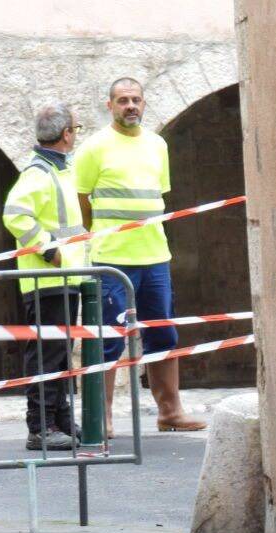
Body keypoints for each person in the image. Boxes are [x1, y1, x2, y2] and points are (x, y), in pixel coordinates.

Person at [74, 76, 206, 432]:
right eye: (122, 100)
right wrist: (98, 233)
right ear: (110, 106)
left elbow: (158, 195)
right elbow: (81, 200)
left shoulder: (157, 145)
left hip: (155, 256)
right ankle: (99, 420)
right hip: (113, 258)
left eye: (136, 99)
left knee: (163, 334)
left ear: (144, 103)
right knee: (107, 339)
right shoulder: (94, 147)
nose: (130, 105)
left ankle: (169, 413)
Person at [1, 103, 90, 451]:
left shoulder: (60, 171)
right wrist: (48, 249)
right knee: (47, 355)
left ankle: (60, 418)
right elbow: (15, 215)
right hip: (47, 279)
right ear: (67, 134)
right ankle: (41, 426)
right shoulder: (39, 173)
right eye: (76, 129)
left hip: (65, 278)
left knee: (61, 353)